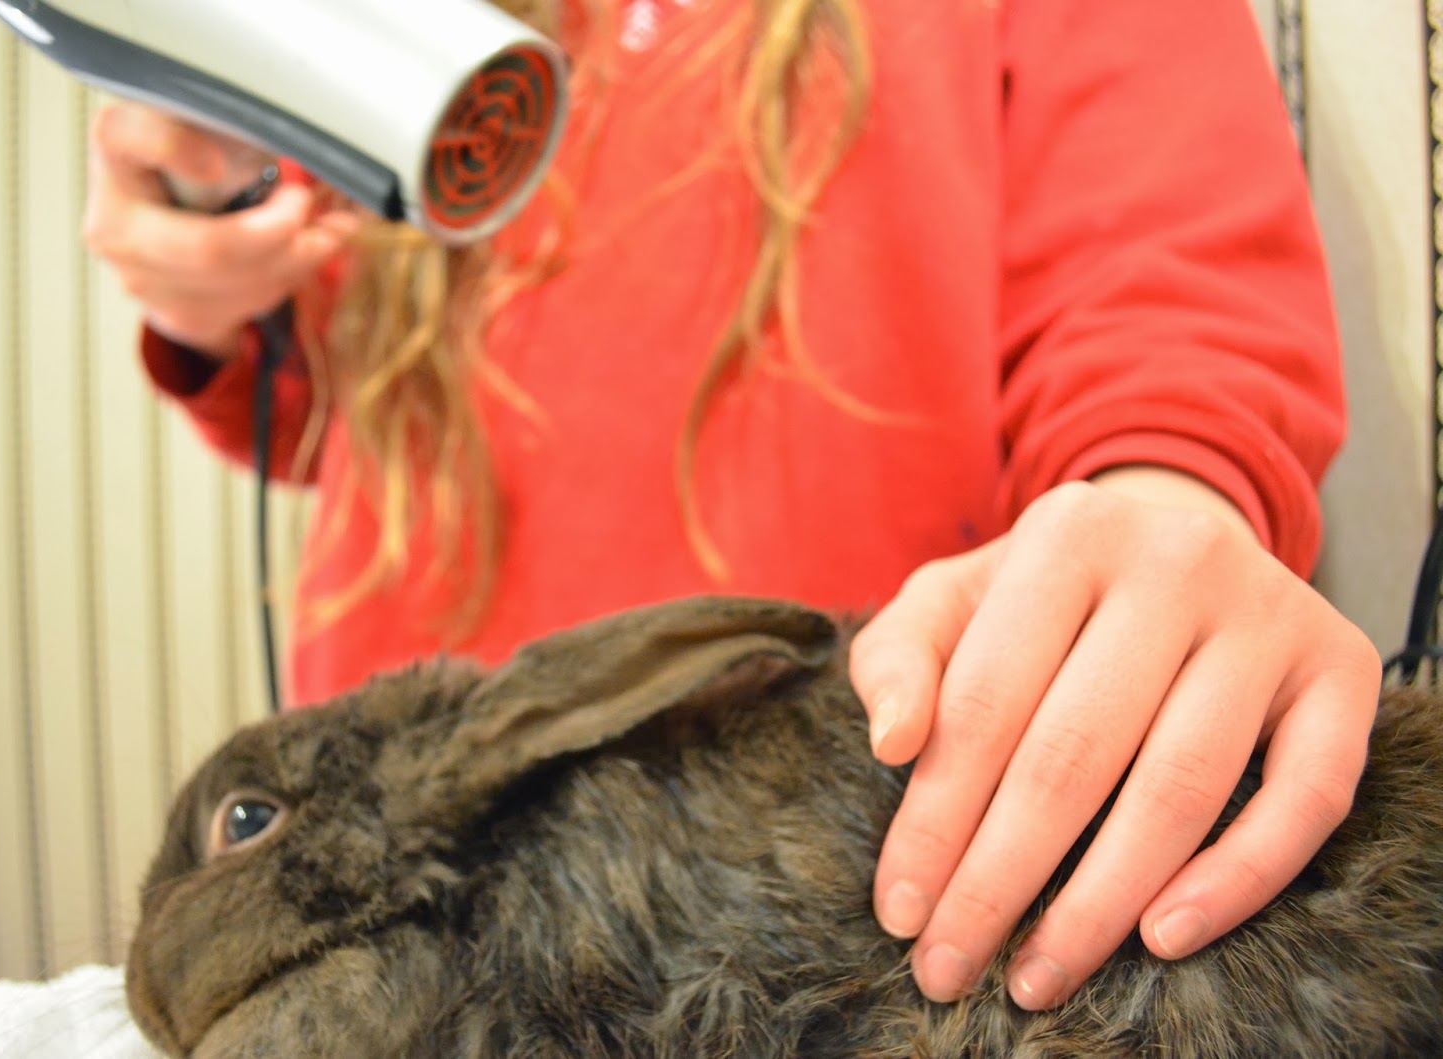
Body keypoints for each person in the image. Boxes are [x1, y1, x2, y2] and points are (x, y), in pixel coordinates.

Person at [82, 0, 1382, 1016]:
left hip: (807, 917)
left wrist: (1164, 512)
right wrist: (210, 252)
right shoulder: (425, 37)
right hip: (402, 916)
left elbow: (1161, 311)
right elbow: (348, 417)